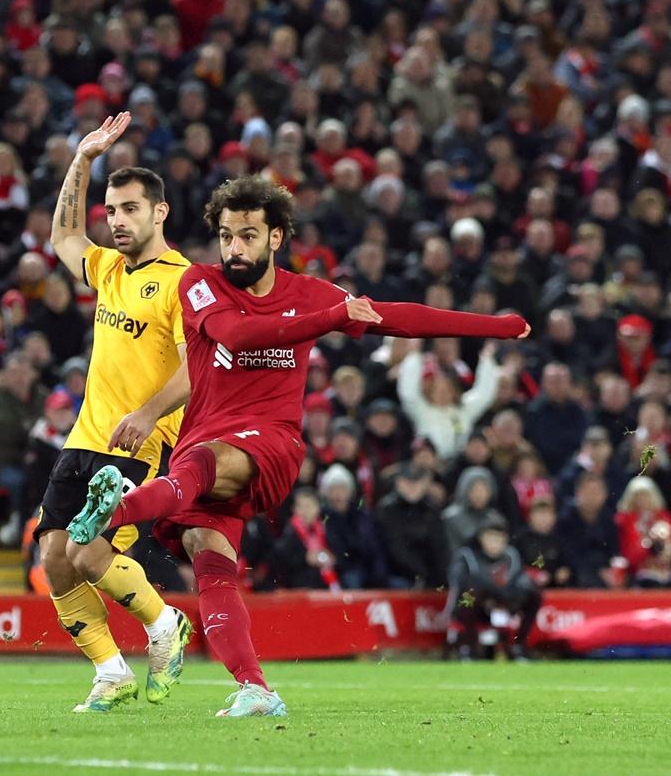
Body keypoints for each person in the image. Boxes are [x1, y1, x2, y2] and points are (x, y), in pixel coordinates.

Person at [68, 176, 529, 716]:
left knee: (198, 463)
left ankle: (115, 506)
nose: (234, 248)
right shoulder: (200, 283)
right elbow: (237, 335)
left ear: (276, 238)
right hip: (208, 436)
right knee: (209, 561)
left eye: (247, 236)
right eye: (225, 236)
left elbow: (396, 317)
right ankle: (256, 688)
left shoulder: (308, 292)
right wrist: (331, 318)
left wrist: (492, 328)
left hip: (270, 443)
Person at [40, 112, 194, 713]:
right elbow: (61, 238)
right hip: (85, 436)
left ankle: (165, 626)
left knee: (86, 551)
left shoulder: (183, 283)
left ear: (159, 213)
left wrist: (148, 414)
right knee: (54, 558)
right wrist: (80, 162)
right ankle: (111, 671)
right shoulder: (108, 269)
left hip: (140, 443)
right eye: (112, 211)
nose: (119, 221)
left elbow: (194, 370)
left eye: (131, 209)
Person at [444, 512, 541, 661]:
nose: (495, 543)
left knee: (533, 594)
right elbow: (460, 584)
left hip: (503, 605)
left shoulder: (512, 556)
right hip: (476, 609)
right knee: (471, 594)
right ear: (481, 538)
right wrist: (492, 592)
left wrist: (506, 597)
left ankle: (519, 646)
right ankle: (468, 647)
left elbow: (519, 581)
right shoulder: (467, 557)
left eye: (499, 538)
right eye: (491, 537)